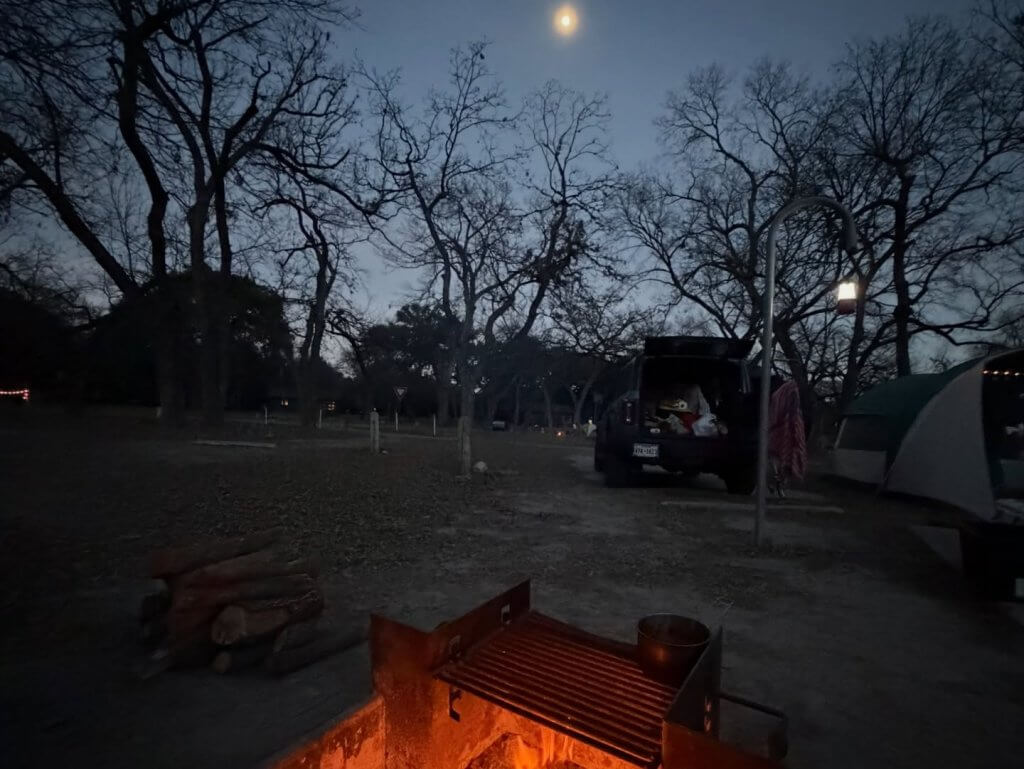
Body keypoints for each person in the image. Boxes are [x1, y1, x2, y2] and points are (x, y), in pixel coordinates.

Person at [768, 380, 806, 497]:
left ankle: (778, 483)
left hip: (784, 433)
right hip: (782, 432)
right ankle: (778, 483)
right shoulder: (784, 397)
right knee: (780, 461)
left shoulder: (778, 397)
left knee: (781, 461)